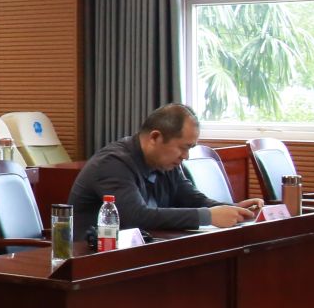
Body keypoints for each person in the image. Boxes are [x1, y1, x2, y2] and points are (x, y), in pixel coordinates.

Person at [69, 103, 259, 241]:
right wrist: (208, 216)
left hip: (140, 250)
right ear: (155, 137)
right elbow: (136, 216)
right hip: (92, 259)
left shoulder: (166, 163)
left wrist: (233, 209)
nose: (186, 156)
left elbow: (192, 198)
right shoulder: (112, 163)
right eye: (183, 147)